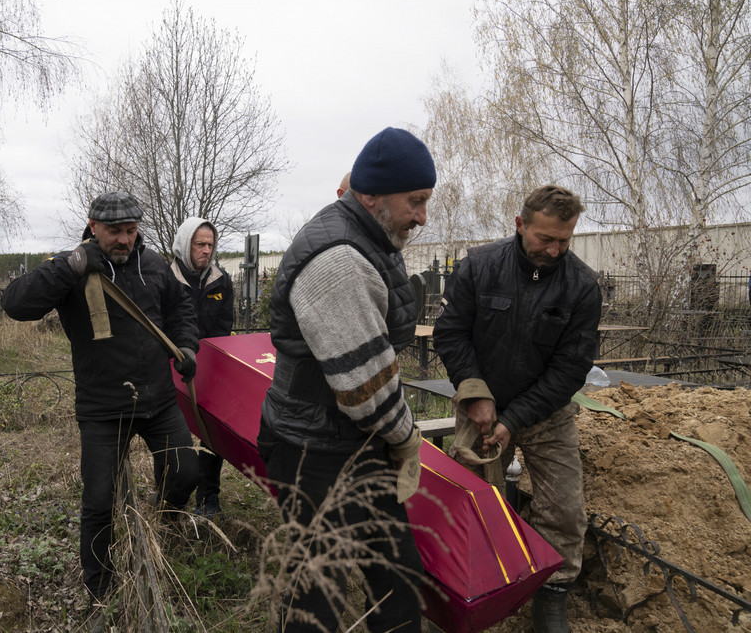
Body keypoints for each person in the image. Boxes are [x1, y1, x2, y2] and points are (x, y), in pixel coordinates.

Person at [257, 127, 436, 632]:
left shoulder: (367, 234)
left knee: (397, 580)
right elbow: (367, 388)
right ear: (372, 194)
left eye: (426, 201)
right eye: (416, 201)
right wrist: (406, 440)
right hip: (314, 447)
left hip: (350, 439)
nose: (423, 216)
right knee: (318, 595)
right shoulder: (337, 262)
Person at [0, 191, 200, 632]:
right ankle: (100, 588)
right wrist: (70, 267)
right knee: (97, 500)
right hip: (102, 408)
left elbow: (181, 308)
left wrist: (186, 345)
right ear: (93, 226)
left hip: (159, 400)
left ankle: (162, 520)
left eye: (131, 231)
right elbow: (15, 304)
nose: (124, 240)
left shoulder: (154, 266)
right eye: (115, 231)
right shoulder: (70, 268)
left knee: (186, 472)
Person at [432, 185, 602, 633]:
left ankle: (552, 596)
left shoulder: (581, 286)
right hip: (479, 404)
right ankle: (459, 589)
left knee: (564, 508)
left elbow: (571, 369)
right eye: (545, 238)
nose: (554, 249)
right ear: (520, 225)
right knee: (467, 497)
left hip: (546, 412)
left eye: (564, 240)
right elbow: (450, 334)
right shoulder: (480, 267)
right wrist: (476, 395)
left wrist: (513, 419)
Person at [170, 217, 234, 519]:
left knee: (210, 433)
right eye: (200, 244)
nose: (206, 251)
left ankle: (209, 495)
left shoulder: (221, 281)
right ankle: (172, 495)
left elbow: (224, 328)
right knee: (175, 434)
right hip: (172, 367)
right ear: (185, 244)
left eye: (210, 245)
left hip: (210, 367)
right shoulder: (166, 278)